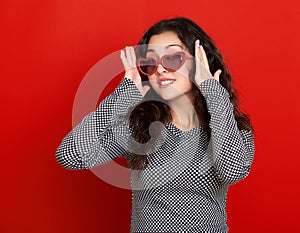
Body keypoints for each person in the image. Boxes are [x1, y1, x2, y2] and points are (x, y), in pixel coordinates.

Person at [56, 17, 254, 232]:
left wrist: (214, 93)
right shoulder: (139, 128)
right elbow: (70, 156)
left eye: (173, 58)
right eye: (151, 63)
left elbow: (232, 171)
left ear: (200, 61)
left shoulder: (232, 127)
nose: (160, 70)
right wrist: (122, 95)